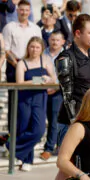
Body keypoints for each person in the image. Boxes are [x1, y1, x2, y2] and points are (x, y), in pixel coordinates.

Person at [55, 13, 90, 180]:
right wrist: (77, 124)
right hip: (72, 122)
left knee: (86, 168)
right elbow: (67, 95)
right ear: (77, 33)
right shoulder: (65, 58)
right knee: (69, 168)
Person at [11, 36, 56, 171]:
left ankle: (12, 146)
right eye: (32, 46)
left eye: (37, 47)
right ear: (28, 48)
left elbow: (53, 78)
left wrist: (48, 79)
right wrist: (38, 80)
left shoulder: (46, 60)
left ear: (41, 48)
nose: (34, 49)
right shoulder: (22, 63)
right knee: (24, 127)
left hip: (40, 98)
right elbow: (19, 83)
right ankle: (27, 161)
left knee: (39, 130)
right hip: (25, 98)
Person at [2, 0, 42, 132]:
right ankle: (12, 135)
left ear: (30, 11)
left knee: (31, 100)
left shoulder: (35, 28)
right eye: (22, 9)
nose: (24, 12)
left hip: (32, 69)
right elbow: (6, 50)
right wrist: (19, 65)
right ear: (17, 10)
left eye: (27, 10)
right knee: (14, 102)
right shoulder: (9, 27)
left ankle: (29, 133)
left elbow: (40, 47)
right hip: (14, 67)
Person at [40, 31, 65, 161]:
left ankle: (49, 148)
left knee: (54, 120)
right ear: (49, 40)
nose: (54, 42)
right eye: (52, 39)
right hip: (41, 90)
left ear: (63, 42)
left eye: (57, 40)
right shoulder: (42, 53)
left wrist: (55, 87)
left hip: (58, 91)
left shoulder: (67, 55)